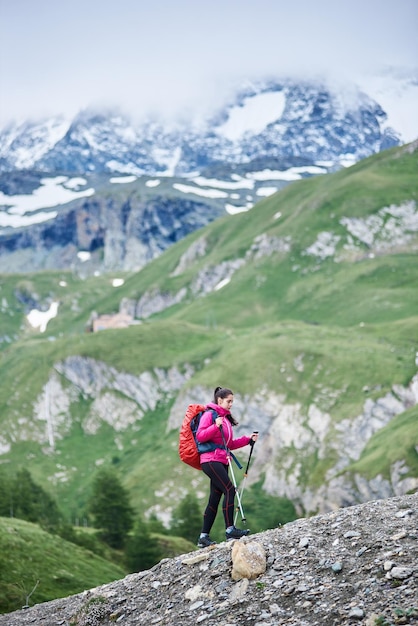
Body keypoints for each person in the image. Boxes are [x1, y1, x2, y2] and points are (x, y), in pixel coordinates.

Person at [195, 386, 259, 548]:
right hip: (210, 460)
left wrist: (248, 439)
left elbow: (229, 444)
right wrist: (215, 426)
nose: (231, 404)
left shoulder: (225, 419)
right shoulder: (210, 415)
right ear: (220, 400)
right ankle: (230, 530)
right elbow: (200, 436)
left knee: (215, 497)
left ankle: (203, 537)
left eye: (232, 402)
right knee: (230, 490)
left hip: (221, 460)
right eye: (229, 401)